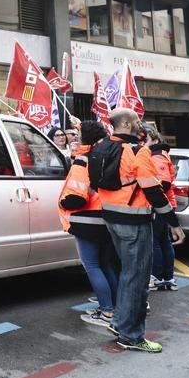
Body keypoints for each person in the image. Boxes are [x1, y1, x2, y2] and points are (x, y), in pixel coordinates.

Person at [94, 108, 185, 353]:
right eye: (135, 120)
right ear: (125, 123)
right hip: (134, 222)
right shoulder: (137, 151)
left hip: (112, 219)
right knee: (137, 279)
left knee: (127, 275)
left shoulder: (101, 146)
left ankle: (120, 323)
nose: (139, 123)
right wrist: (174, 222)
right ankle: (132, 336)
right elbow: (154, 191)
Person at [59, 120, 117, 329]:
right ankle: (114, 308)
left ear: (86, 138)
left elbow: (77, 198)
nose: (75, 137)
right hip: (107, 217)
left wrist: (62, 202)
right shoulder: (106, 156)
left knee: (92, 266)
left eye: (78, 134)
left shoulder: (83, 161)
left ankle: (107, 312)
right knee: (105, 264)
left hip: (86, 220)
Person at [143, 123, 178, 292]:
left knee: (157, 241)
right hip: (163, 204)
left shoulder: (157, 156)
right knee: (164, 240)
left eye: (146, 139)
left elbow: (163, 183)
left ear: (155, 139)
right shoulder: (159, 154)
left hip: (160, 205)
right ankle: (167, 277)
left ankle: (158, 277)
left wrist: (153, 198)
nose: (143, 143)